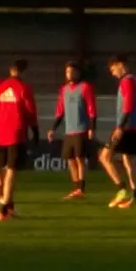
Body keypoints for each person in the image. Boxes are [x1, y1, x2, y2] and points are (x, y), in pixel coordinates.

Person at [0, 59, 39, 221]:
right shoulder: (24, 89)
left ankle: (10, 206)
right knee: (12, 170)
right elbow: (31, 112)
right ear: (23, 72)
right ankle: (4, 209)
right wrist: (35, 132)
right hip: (16, 134)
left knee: (4, 170)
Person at [99, 54, 136, 209]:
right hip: (135, 126)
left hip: (127, 127)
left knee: (105, 157)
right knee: (128, 160)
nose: (113, 73)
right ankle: (135, 196)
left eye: (113, 69)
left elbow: (129, 105)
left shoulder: (127, 81)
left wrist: (120, 126)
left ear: (120, 64)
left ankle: (121, 190)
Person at [47, 61, 97, 199]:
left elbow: (91, 109)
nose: (68, 74)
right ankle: (76, 187)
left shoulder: (85, 87)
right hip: (69, 130)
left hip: (81, 129)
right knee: (69, 159)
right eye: (67, 72)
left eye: (71, 71)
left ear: (77, 73)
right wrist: (53, 128)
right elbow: (60, 111)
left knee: (79, 158)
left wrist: (92, 128)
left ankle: (81, 188)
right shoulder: (64, 90)